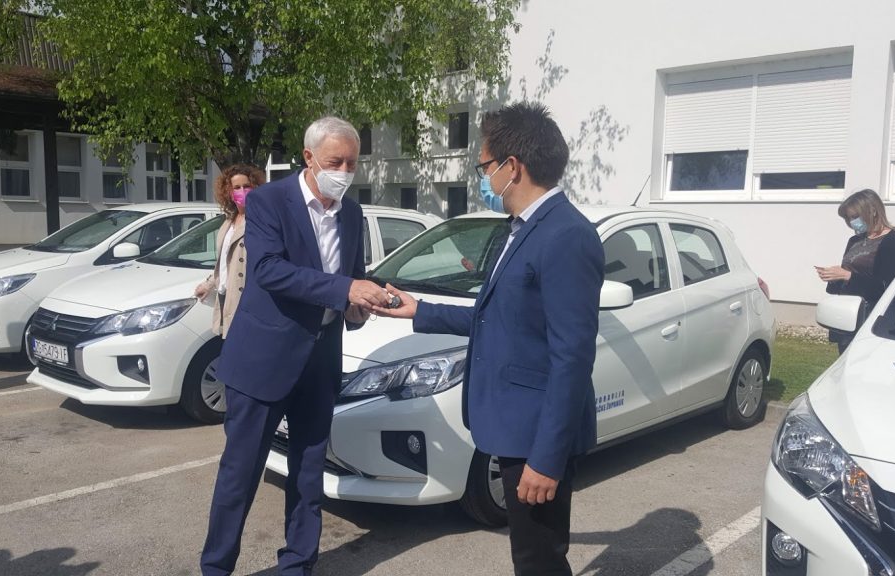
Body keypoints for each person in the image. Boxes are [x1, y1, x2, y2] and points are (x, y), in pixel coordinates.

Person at [373, 102, 604, 576]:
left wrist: (547, 459)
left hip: (535, 435)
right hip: (512, 425)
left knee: (538, 560)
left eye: (484, 167)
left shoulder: (566, 235)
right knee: (531, 556)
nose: (483, 178)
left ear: (511, 167)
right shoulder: (518, 230)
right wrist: (421, 310)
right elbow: (497, 318)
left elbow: (573, 358)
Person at [200, 117, 389, 576]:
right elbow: (268, 269)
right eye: (334, 162)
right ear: (308, 157)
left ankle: (298, 564)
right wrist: (345, 289)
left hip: (319, 360)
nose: (344, 171)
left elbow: (351, 277)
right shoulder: (268, 201)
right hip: (263, 361)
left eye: (352, 163)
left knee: (308, 473)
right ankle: (217, 568)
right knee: (240, 474)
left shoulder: (351, 213)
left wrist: (358, 307)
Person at [816, 188, 895, 354]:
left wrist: (847, 276)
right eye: (848, 218)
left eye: (855, 216)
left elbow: (886, 288)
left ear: (872, 211)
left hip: (870, 319)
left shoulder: (892, 241)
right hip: (847, 316)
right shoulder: (855, 240)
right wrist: (834, 277)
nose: (852, 222)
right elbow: (849, 274)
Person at [194, 164, 266, 337]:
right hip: (225, 295)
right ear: (229, 192)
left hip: (245, 298)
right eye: (237, 187)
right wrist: (209, 284)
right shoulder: (229, 221)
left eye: (247, 186)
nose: (242, 191)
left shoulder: (261, 220)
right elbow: (226, 261)